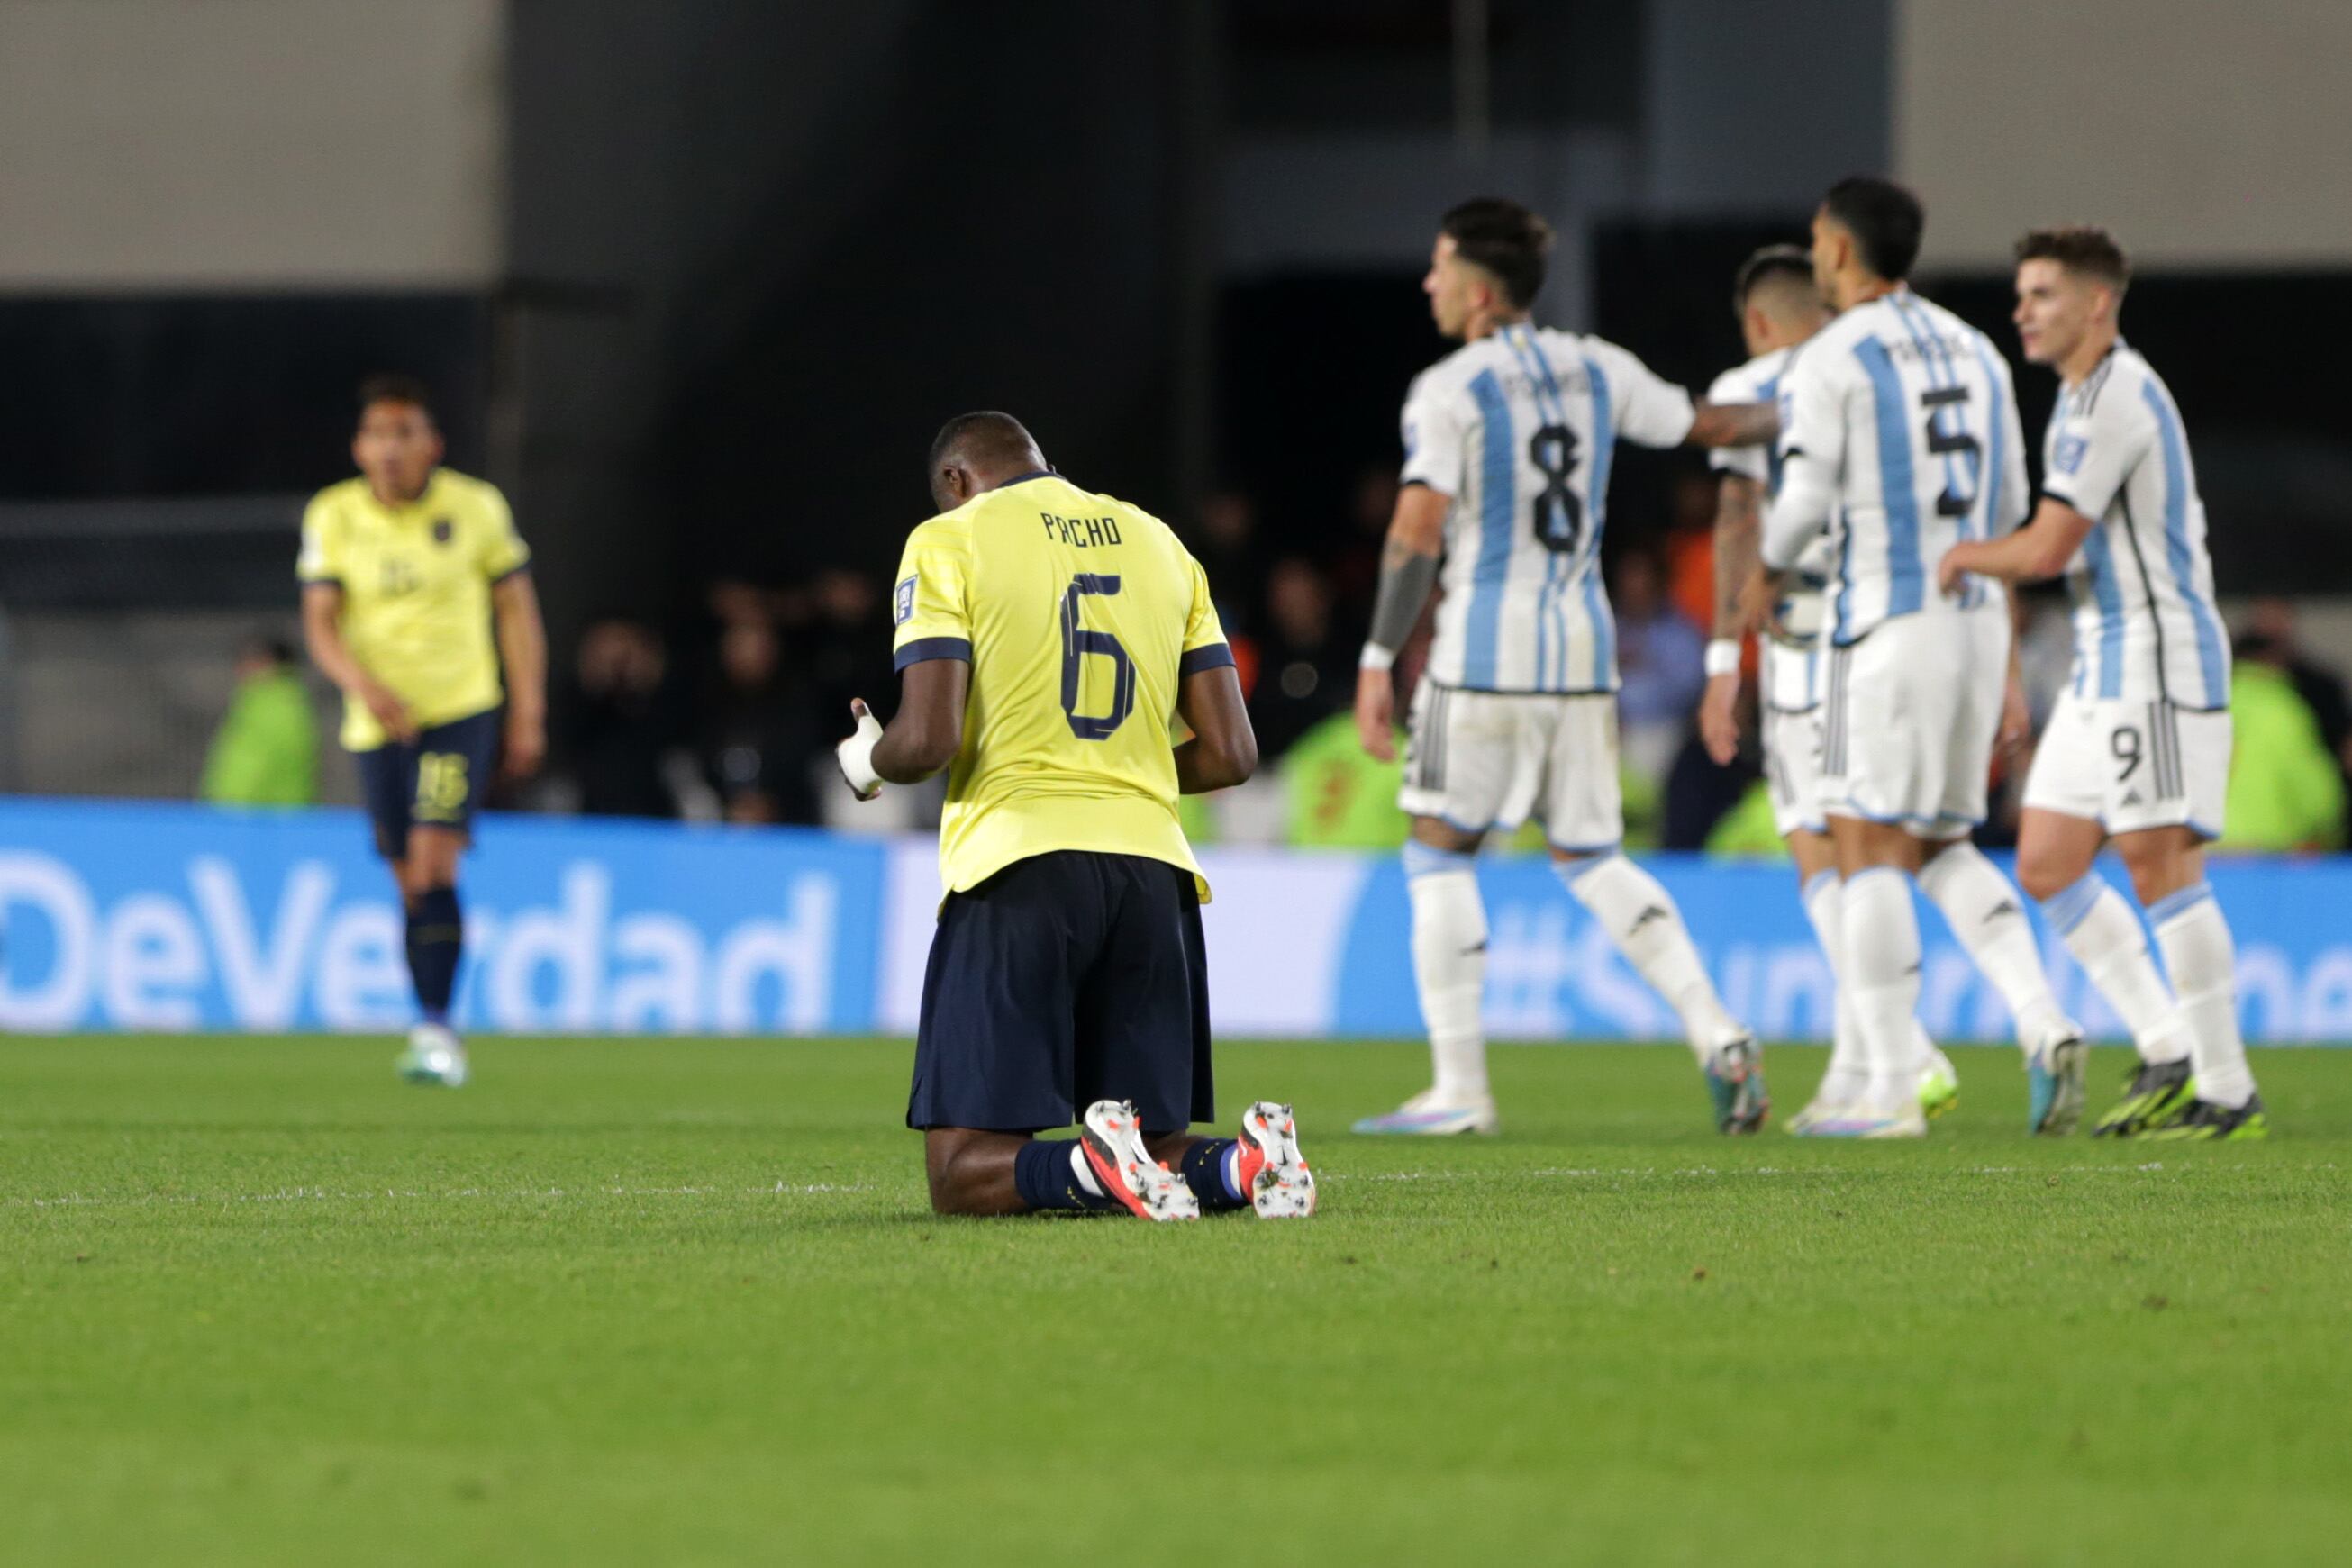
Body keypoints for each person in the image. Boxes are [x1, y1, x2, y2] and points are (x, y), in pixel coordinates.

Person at [1350, 197, 1780, 1138]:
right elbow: (1706, 425)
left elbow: (1418, 529)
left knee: (1435, 850)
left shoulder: (1448, 388)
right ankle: (1716, 1030)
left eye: (1438, 266)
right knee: (1591, 856)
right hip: (1582, 654)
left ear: (1477, 286)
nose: (1428, 283)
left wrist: (1379, 655)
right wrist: (1815, 409)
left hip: (1482, 651)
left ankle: (1459, 1087)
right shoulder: (1597, 365)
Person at [834, 412, 1313, 1221]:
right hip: (1152, 876)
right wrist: (1114, 771)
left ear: (956, 480)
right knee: (1159, 1146)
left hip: (1019, 864)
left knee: (958, 1170)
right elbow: (1232, 752)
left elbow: (927, 738)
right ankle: (1244, 1165)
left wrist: (864, 760)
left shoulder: (950, 539)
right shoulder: (1161, 542)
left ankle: (1093, 1171)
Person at [1747, 177, 2082, 1139]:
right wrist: (2010, 662)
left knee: (1863, 845)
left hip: (1886, 621)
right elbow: (2011, 502)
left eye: (1818, 239)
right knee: (1935, 842)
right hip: (1975, 619)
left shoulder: (1834, 353)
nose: (1814, 253)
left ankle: (1891, 1087)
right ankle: (2041, 1017)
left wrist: (1761, 579)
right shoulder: (1976, 349)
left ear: (1842, 252)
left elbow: (1805, 495)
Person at [1942, 225, 2266, 1138]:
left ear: (2096, 303)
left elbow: (2048, 547)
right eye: (2019, 295)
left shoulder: (2118, 394)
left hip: (2158, 658)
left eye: (2040, 294)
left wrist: (1960, 556)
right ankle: (2166, 1044)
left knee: (2159, 865)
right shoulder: (2079, 398)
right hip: (2103, 660)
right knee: (2046, 860)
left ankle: (2227, 1088)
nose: (2021, 312)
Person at [1698, 245, 1959, 1132]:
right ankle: (1866, 1061)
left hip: (1804, 635)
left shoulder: (1769, 382)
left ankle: (1899, 1057)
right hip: (1905, 621)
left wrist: (1720, 662)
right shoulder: (1884, 368)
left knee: (1824, 843)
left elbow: (1738, 521)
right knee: (1886, 843)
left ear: (1759, 321)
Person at [298, 376, 547, 1087]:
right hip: (374, 722)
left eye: (405, 433)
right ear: (359, 446)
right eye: (378, 433)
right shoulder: (333, 514)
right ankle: (428, 1019)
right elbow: (320, 623)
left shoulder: (476, 507)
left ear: (431, 444)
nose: (390, 448)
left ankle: (437, 1029)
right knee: (409, 880)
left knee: (436, 863)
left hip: (458, 710)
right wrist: (364, 687)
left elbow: (517, 612)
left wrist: (526, 709)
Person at [199, 635, 321, 808]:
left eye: (248, 659)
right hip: (255, 813)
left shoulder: (277, 705)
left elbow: (269, 765)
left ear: (268, 661)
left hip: (257, 815)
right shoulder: (260, 701)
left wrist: (229, 805)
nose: (240, 668)